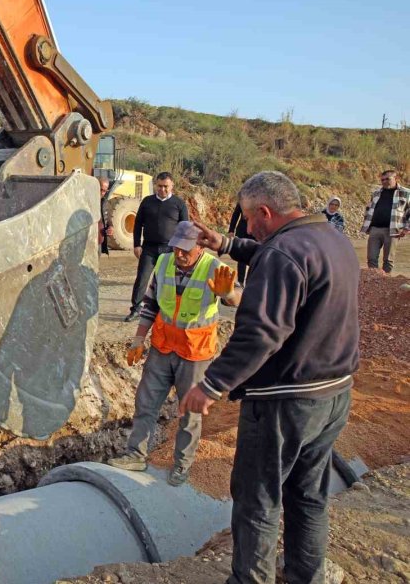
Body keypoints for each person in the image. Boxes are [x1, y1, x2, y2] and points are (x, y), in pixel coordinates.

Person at [179, 171, 359, 584]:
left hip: (285, 400)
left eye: (247, 219)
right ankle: (304, 577)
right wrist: (223, 243)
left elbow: (261, 333)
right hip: (333, 395)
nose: (247, 228)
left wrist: (211, 384)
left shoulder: (283, 254)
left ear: (264, 211)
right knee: (308, 497)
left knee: (258, 501)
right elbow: (273, 251)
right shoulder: (330, 238)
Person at [108, 221, 241, 486]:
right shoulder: (164, 263)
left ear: (200, 247)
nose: (180, 254)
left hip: (195, 352)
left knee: (189, 412)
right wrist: (138, 339)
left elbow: (239, 297)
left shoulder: (214, 268)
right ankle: (136, 454)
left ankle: (182, 464)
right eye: (176, 248)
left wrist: (229, 295)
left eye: (186, 250)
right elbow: (151, 304)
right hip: (162, 346)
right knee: (145, 403)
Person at [125, 172, 189, 321]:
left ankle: (166, 310)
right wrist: (136, 244)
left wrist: (181, 249)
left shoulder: (179, 204)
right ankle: (135, 309)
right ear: (155, 185)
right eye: (159, 186)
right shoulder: (147, 202)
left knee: (169, 280)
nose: (162, 189)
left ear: (172, 185)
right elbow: (138, 224)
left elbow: (185, 228)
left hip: (170, 249)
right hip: (148, 248)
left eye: (166, 186)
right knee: (142, 278)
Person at [360, 170, 410, 274]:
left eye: (388, 179)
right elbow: (369, 209)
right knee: (371, 258)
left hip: (393, 230)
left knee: (388, 260)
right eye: (382, 180)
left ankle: (386, 280)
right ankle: (374, 280)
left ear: (396, 179)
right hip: (375, 229)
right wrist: (367, 225)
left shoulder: (406, 193)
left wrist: (406, 228)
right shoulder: (376, 193)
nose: (384, 181)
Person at [227, 202, 255, 286]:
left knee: (254, 257)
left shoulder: (261, 198)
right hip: (242, 231)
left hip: (255, 232)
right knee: (241, 256)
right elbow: (236, 214)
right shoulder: (243, 198)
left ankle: (251, 281)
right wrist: (231, 230)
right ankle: (241, 281)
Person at [98, 177, 113, 255]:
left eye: (104, 191)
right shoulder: (86, 202)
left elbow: (108, 219)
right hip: (88, 242)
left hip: (99, 242)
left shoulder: (104, 203)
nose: (102, 193)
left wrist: (110, 227)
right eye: (101, 189)